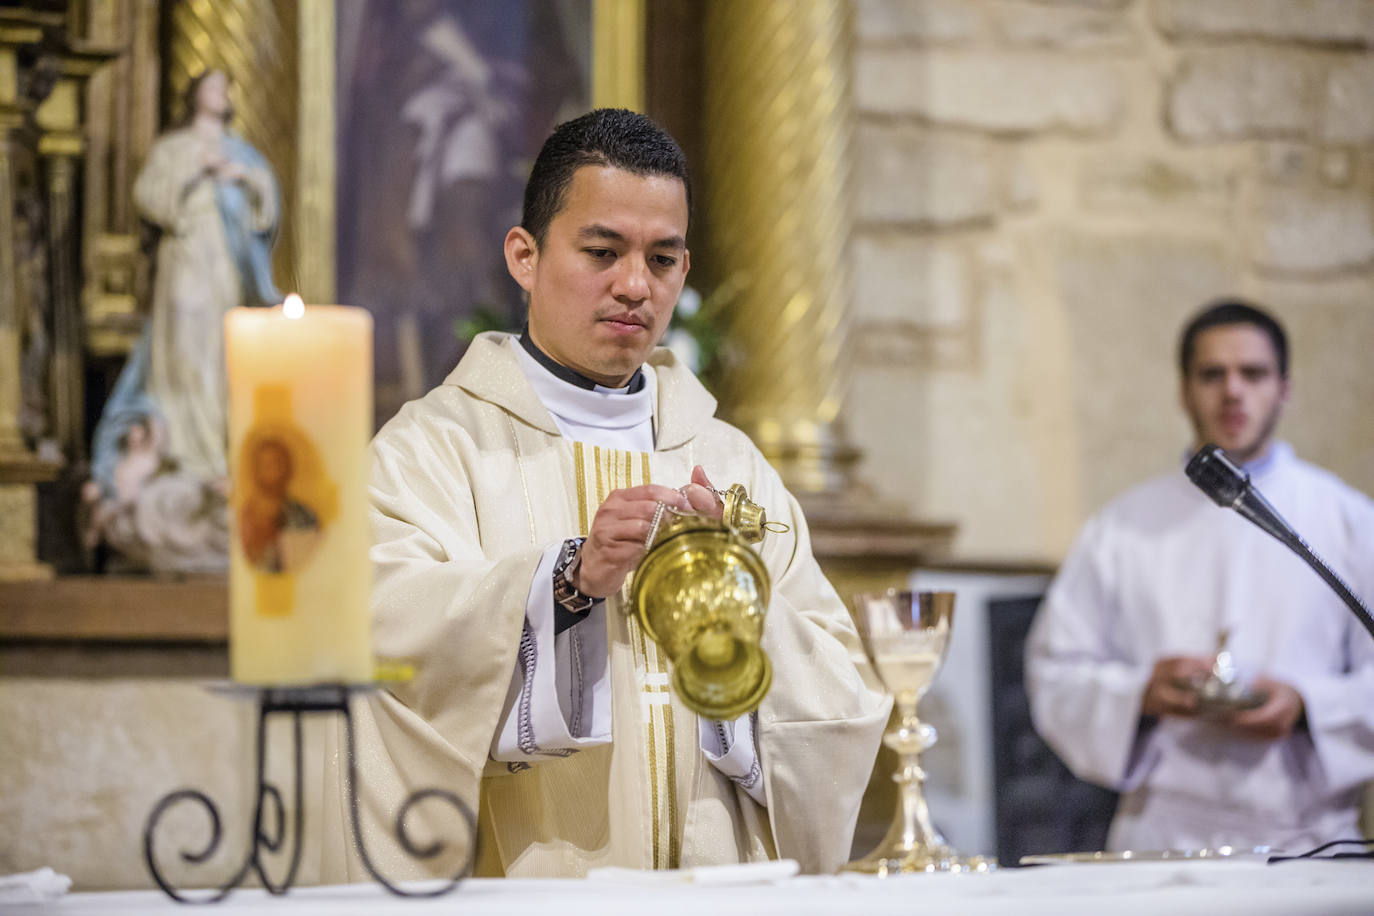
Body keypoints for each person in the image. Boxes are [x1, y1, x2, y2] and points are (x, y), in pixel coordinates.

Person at [318, 108, 889, 880]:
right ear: (525, 255)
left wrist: (738, 617)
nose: (634, 286)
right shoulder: (433, 453)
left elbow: (840, 701)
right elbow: (379, 648)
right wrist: (565, 583)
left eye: (662, 259)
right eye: (602, 251)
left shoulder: (730, 461)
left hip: (715, 889)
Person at [1026, 300, 1374, 853]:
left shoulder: (1349, 521)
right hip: (1164, 836)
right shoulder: (1121, 527)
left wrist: (1308, 705)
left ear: (1284, 388)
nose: (1232, 391)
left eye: (1253, 373)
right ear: (1184, 391)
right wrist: (1141, 693)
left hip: (1310, 837)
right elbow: (1055, 676)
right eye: (1212, 374)